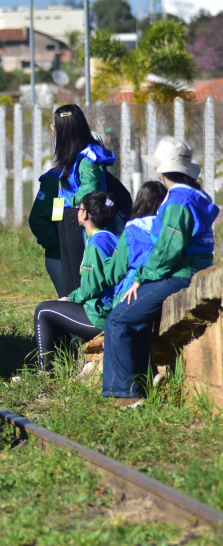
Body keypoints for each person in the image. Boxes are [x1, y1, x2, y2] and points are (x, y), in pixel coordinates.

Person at [102, 137, 219, 408]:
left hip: (178, 273)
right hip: (191, 270)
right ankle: (145, 380)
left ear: (160, 171)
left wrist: (142, 278)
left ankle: (126, 393)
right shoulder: (196, 196)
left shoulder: (178, 200)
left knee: (119, 318)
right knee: (135, 319)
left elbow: (167, 251)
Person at [33, 191, 118, 373]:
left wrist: (70, 298)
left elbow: (90, 288)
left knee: (43, 310)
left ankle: (45, 373)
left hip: (98, 316)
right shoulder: (110, 237)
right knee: (57, 311)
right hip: (110, 309)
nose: (77, 212)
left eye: (79, 208)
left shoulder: (95, 244)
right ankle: (63, 368)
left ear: (85, 214)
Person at [51, 105, 116, 296]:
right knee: (67, 270)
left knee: (77, 272)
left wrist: (71, 202)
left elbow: (89, 188)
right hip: (65, 214)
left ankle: (82, 314)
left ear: (66, 129)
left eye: (55, 126)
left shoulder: (89, 156)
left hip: (78, 216)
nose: (53, 131)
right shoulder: (68, 155)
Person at [105, 181, 168, 307]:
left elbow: (114, 273)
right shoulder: (170, 230)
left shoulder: (132, 231)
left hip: (131, 294)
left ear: (140, 202)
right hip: (164, 289)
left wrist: (107, 262)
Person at [28, 167, 63, 296]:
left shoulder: (97, 174)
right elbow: (38, 219)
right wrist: (57, 244)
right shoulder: (55, 179)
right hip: (60, 257)